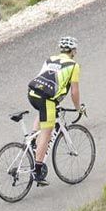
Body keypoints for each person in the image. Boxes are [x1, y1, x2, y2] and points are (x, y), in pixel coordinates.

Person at [26, 36, 85, 187]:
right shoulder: (74, 66)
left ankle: (33, 140)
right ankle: (37, 171)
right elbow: (74, 92)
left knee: (43, 113)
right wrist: (78, 108)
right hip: (47, 99)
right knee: (47, 133)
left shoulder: (50, 59)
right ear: (73, 51)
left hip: (32, 94)